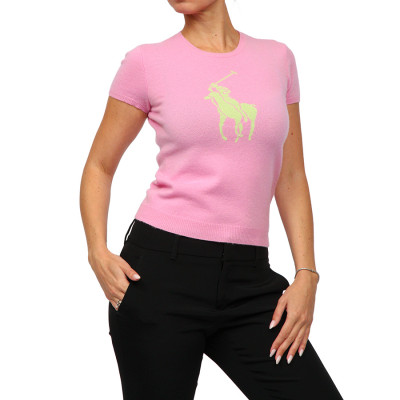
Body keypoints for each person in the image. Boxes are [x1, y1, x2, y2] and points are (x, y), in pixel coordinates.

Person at [80, 1, 344, 399]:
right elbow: (99, 165)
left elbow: (290, 175)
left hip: (250, 281)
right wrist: (97, 252)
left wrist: (306, 273)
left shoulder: (277, 59)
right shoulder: (146, 62)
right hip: (159, 276)